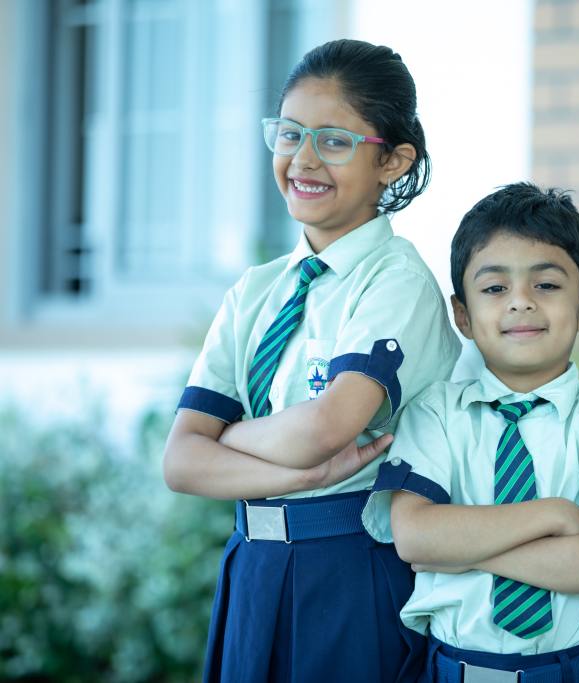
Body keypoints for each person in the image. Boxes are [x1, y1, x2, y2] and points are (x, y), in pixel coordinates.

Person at [162, 39, 461, 682]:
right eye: (290, 133)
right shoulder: (256, 290)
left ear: (393, 160)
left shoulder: (395, 280)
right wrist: (298, 475)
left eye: (333, 140)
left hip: (351, 566)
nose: (302, 159)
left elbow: (327, 429)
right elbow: (181, 462)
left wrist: (231, 441)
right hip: (252, 566)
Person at [361, 183, 579, 682]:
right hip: (454, 670)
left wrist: (463, 547)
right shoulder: (435, 413)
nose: (520, 303)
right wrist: (556, 515)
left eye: (547, 285)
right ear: (463, 315)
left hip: (573, 671)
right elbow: (416, 538)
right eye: (495, 288)